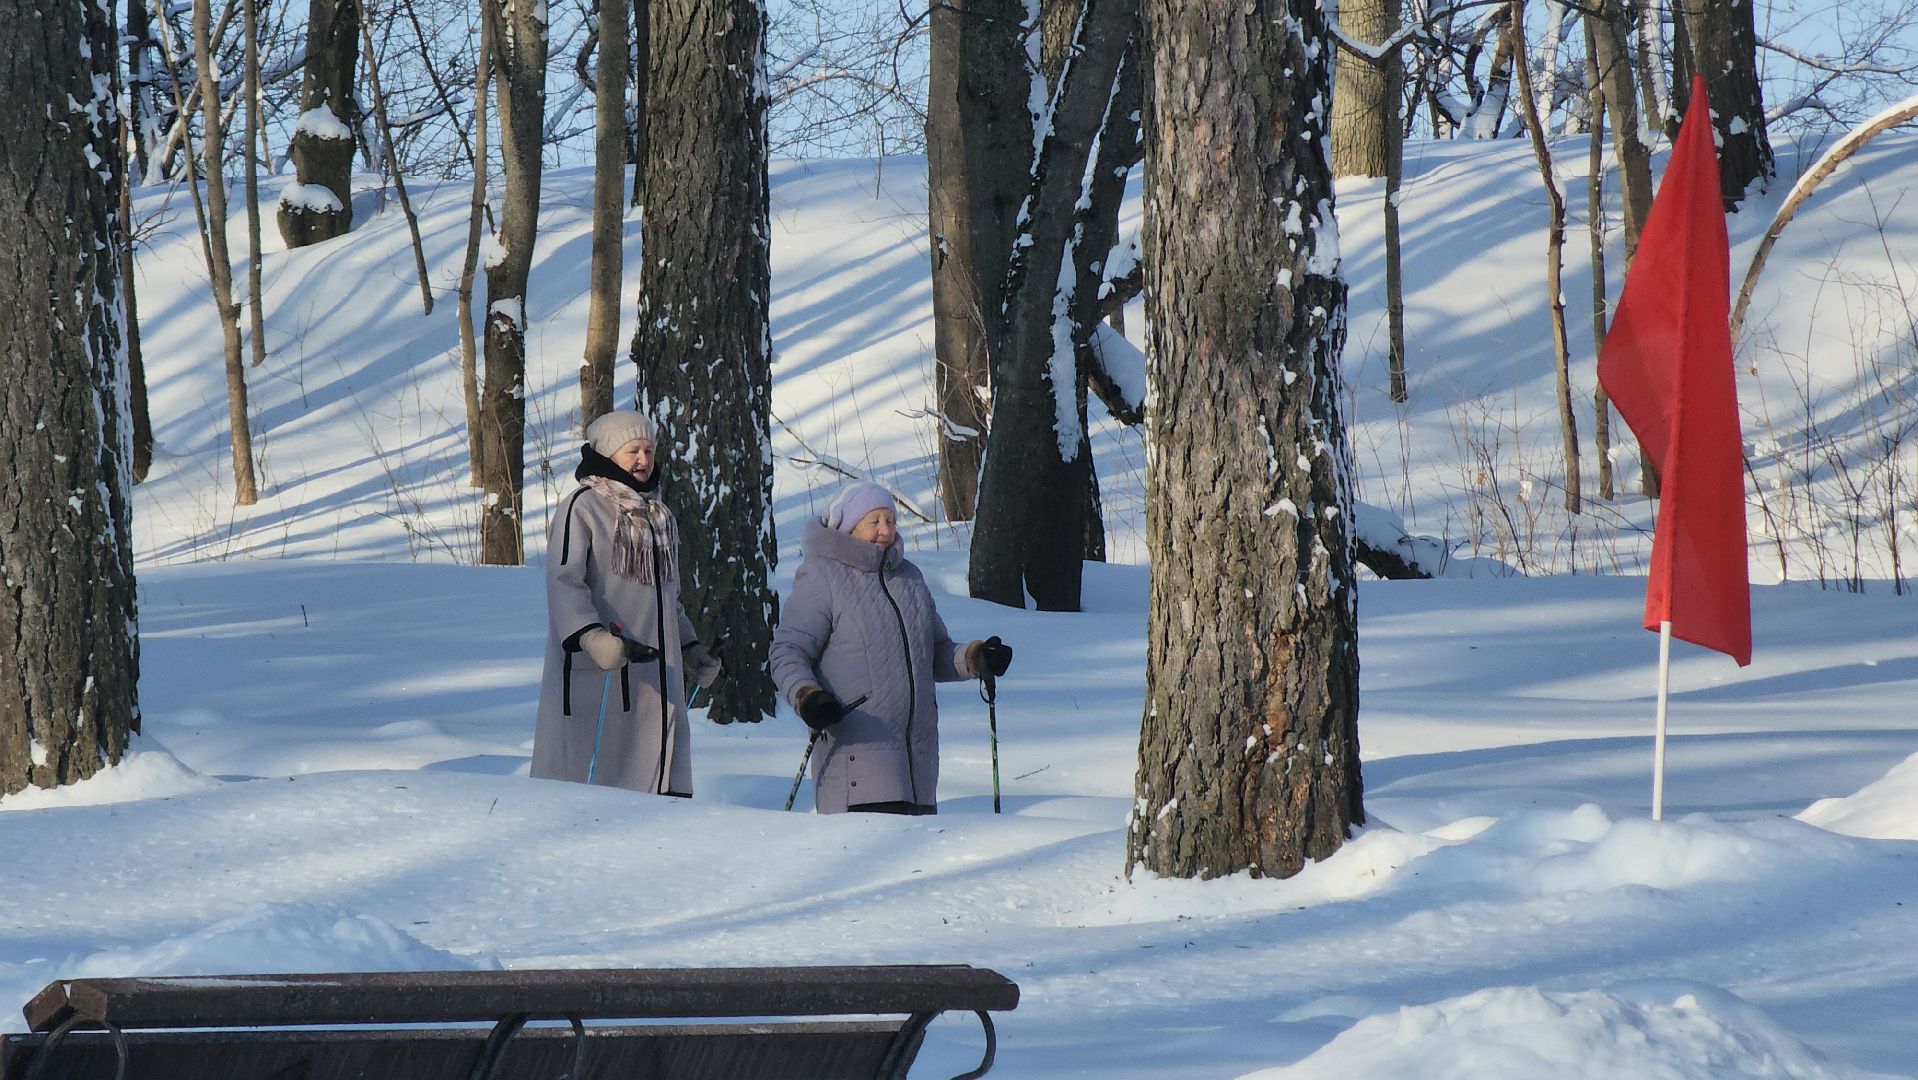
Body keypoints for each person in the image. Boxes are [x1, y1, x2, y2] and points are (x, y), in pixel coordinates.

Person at [770, 481, 1013, 814]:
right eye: (875, 521)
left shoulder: (909, 579)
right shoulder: (821, 577)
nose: (886, 530)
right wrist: (807, 697)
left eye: (891, 520)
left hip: (919, 774)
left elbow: (936, 651)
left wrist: (975, 658)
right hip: (856, 766)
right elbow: (787, 651)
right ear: (850, 527)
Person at [531, 410, 722, 795]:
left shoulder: (659, 516)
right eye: (633, 450)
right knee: (596, 791)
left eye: (649, 450)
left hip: (657, 676)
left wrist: (689, 647)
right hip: (600, 672)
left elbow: (670, 596)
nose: (643, 460)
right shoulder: (581, 507)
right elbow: (563, 582)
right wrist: (593, 637)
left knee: (659, 785)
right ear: (608, 454)